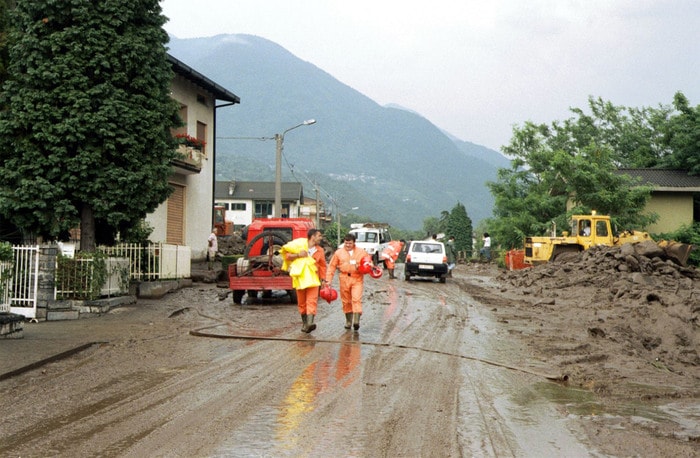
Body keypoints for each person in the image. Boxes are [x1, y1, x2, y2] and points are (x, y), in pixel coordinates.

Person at [281, 229, 327, 333]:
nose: (321, 238)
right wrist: (298, 255)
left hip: (314, 279)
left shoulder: (320, 250)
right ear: (313, 237)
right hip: (300, 278)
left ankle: (310, 323)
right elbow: (287, 256)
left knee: (312, 300)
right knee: (302, 302)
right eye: (319, 236)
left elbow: (323, 266)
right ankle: (305, 323)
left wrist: (324, 279)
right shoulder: (299, 246)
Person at [325, 233, 370, 331]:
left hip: (357, 278)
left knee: (356, 299)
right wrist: (328, 280)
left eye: (350, 243)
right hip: (344, 278)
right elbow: (332, 267)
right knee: (346, 301)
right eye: (346, 243)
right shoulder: (338, 253)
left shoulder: (362, 252)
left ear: (354, 243)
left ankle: (356, 321)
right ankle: (348, 321)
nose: (347, 245)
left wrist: (362, 268)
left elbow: (369, 264)